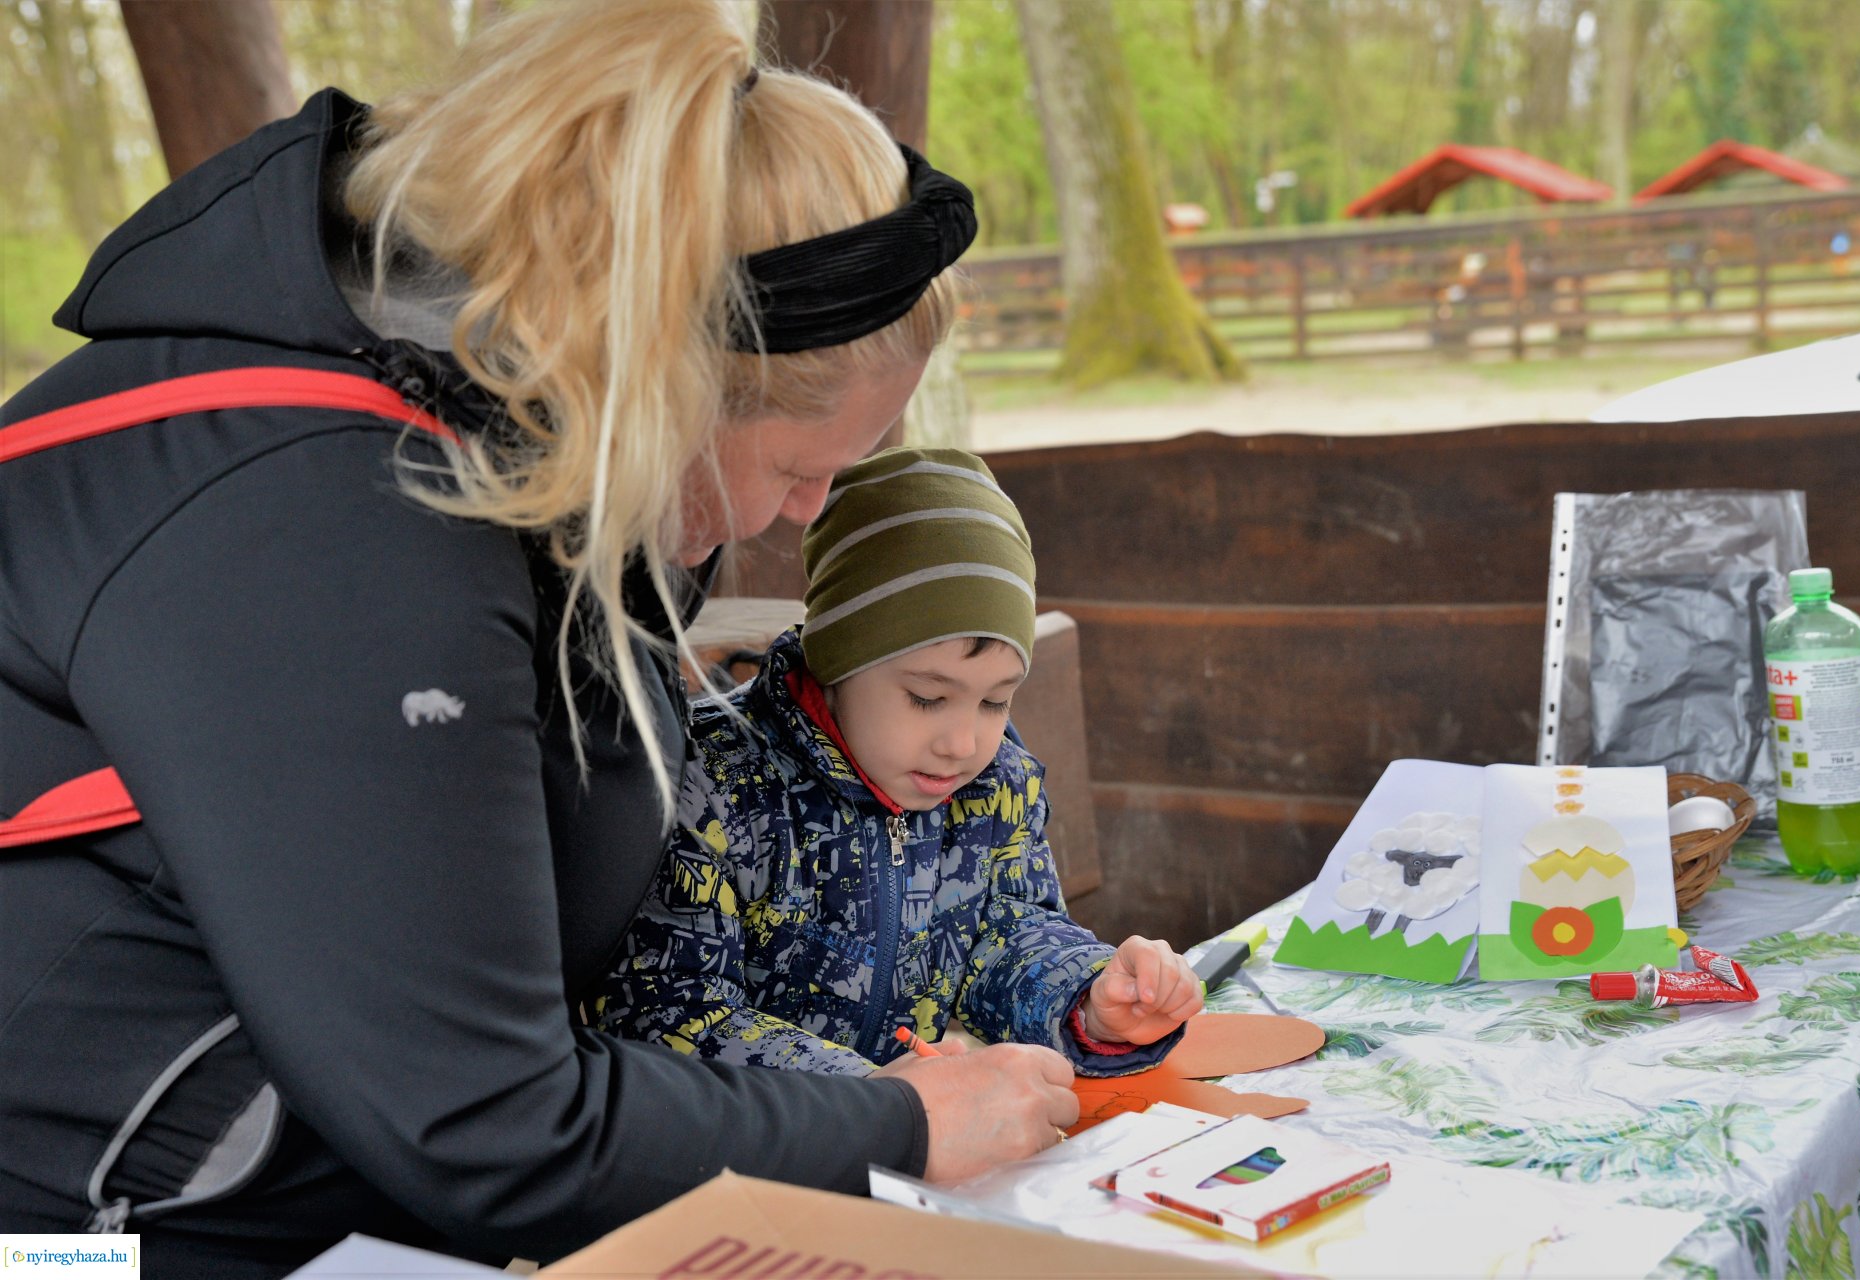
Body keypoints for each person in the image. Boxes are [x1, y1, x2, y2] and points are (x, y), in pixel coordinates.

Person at [0, 3, 1077, 1275]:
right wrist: (894, 1121)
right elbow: (483, 1120)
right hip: (91, 1237)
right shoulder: (332, 525)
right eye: (799, 468)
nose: (803, 517)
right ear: (667, 375)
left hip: (330, 1183)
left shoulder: (522, 438)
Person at [594, 447, 1204, 1076]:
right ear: (836, 660)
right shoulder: (710, 784)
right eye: (927, 697)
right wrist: (879, 1098)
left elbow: (1009, 936)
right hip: (755, 1159)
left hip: (922, 1139)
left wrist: (1090, 1001)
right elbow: (668, 1015)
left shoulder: (994, 787)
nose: (962, 743)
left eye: (996, 701)